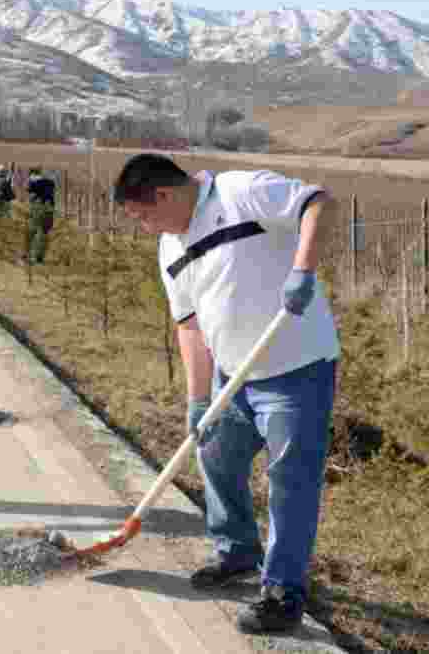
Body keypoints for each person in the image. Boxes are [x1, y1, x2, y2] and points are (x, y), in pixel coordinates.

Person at [111, 153, 340, 634]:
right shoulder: (170, 247)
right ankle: (237, 553)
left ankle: (282, 591)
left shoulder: (239, 192)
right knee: (214, 457)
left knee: (290, 480)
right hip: (230, 378)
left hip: (295, 371)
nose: (146, 227)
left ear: (165, 194)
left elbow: (317, 203)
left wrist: (302, 269)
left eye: (144, 216)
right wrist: (198, 400)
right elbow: (190, 326)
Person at [26, 167, 56, 263]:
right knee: (44, 233)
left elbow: (29, 189)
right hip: (50, 210)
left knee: (35, 232)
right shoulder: (50, 182)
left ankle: (34, 256)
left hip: (39, 209)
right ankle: (40, 256)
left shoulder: (34, 182)